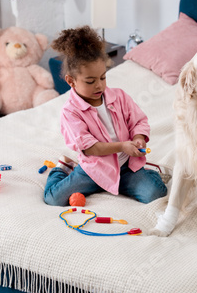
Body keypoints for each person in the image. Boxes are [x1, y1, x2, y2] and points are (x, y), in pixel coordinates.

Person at [44, 26, 167, 206]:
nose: (99, 86)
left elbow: (139, 121)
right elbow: (90, 148)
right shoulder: (70, 112)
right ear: (71, 81)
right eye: (90, 81)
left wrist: (139, 138)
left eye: (103, 78)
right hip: (92, 171)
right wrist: (122, 146)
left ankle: (148, 172)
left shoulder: (119, 97)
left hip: (126, 168)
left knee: (156, 194)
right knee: (53, 199)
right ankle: (61, 169)